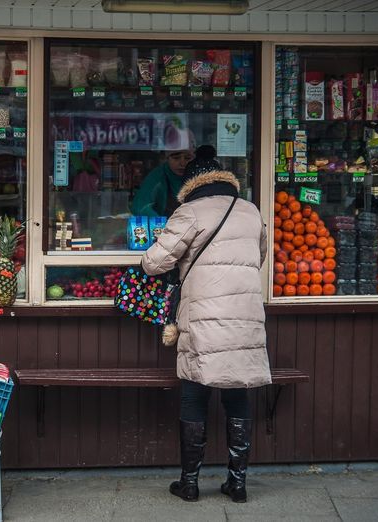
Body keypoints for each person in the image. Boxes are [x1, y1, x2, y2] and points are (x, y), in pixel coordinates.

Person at [140, 149, 271, 503]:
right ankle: (238, 483)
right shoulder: (250, 211)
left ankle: (190, 483)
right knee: (237, 393)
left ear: (192, 183)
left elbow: (153, 263)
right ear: (224, 180)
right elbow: (258, 257)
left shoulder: (189, 212)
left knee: (195, 393)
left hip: (203, 315)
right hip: (244, 316)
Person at [130, 148, 194, 217]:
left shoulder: (198, 176)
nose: (182, 163)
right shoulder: (157, 177)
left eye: (187, 158)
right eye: (176, 158)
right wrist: (161, 223)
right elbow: (141, 207)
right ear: (167, 159)